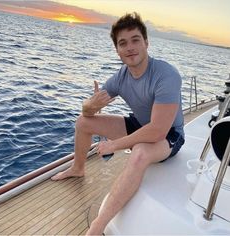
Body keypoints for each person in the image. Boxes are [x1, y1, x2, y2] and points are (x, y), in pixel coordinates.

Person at [51, 12, 185, 235]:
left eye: (135, 40)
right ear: (117, 50)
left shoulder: (166, 75)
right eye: (123, 43)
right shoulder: (120, 77)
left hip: (169, 134)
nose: (130, 47)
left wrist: (115, 145)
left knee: (140, 152)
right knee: (83, 122)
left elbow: (158, 130)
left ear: (146, 43)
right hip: (140, 124)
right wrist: (89, 106)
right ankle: (78, 168)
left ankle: (97, 226)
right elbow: (90, 109)